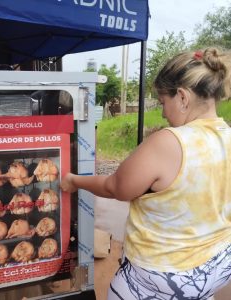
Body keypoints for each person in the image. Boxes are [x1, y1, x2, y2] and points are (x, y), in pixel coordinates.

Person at [60, 47, 231, 300]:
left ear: (182, 97)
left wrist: (74, 181)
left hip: (165, 274)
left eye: (163, 102)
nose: (162, 113)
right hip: (216, 268)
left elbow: (115, 187)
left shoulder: (170, 142)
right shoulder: (227, 136)